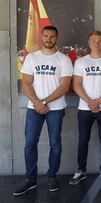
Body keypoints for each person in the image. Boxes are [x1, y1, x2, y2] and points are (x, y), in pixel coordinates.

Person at [13, 26, 73, 196]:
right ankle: (30, 179)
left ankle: (51, 176)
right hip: (34, 108)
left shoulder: (64, 59)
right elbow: (25, 83)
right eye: (46, 35)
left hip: (56, 108)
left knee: (55, 145)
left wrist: (44, 101)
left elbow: (64, 87)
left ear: (57, 38)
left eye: (52, 36)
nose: (48, 39)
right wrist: (37, 103)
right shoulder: (31, 58)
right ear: (41, 36)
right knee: (29, 144)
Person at [69, 31, 101, 185]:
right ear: (89, 42)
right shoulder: (81, 62)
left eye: (99, 41)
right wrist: (90, 102)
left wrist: (99, 101)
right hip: (85, 108)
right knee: (83, 140)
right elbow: (76, 85)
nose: (96, 43)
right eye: (93, 40)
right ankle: (80, 170)